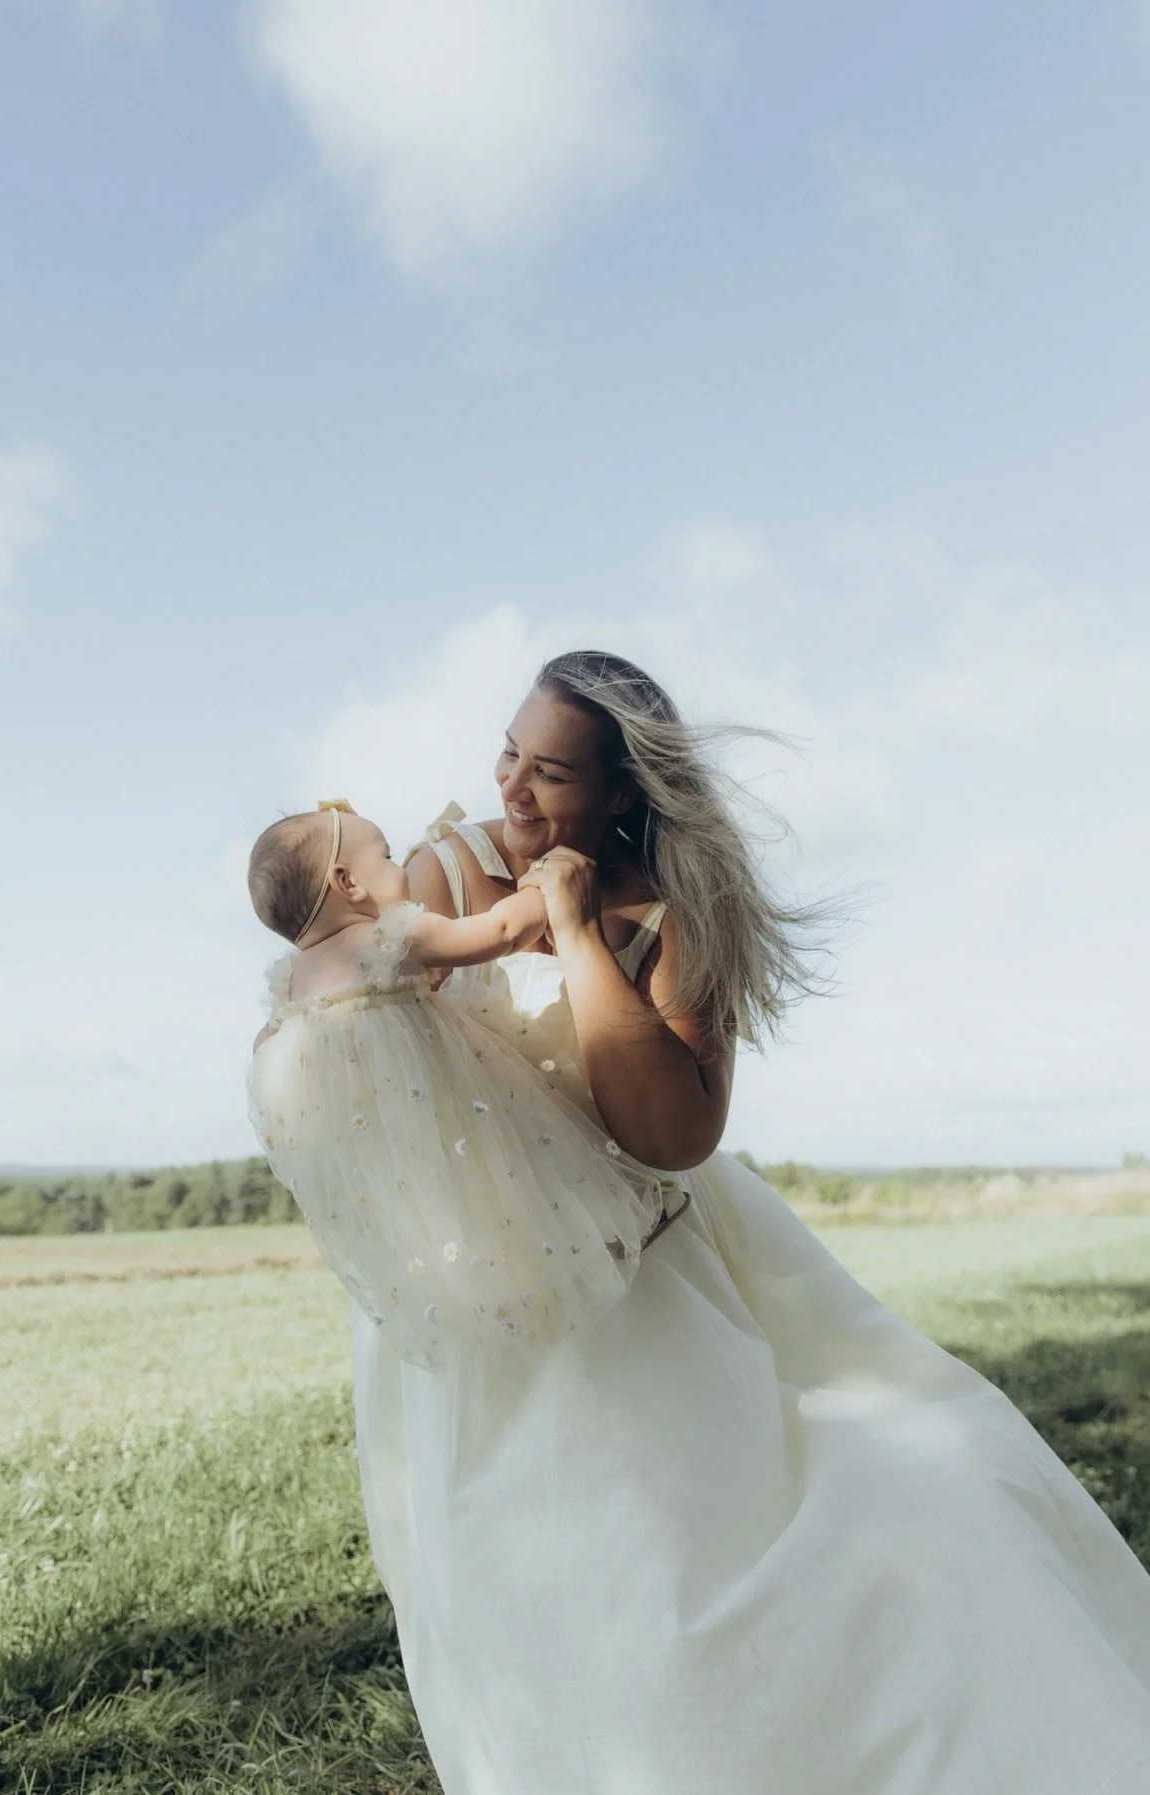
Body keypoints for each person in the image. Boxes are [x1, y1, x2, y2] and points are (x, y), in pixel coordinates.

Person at [345, 649, 1150, 1794]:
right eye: (508, 755)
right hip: (486, 1267)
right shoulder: (444, 868)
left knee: (895, 1485)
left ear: (625, 791)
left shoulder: (679, 910)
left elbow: (669, 1133)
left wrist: (576, 937)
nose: (514, 790)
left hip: (644, 1249)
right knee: (534, 1566)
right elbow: (372, 1066)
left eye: (553, 773)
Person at [244, 801, 684, 1372]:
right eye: (384, 853)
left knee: (457, 1214)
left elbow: (267, 1045)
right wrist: (540, 890)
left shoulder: (293, 978)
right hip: (457, 1097)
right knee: (525, 1168)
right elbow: (496, 933)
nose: (398, 863)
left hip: (395, 1140)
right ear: (347, 883)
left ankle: (498, 1301)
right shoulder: (389, 935)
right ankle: (604, 1239)